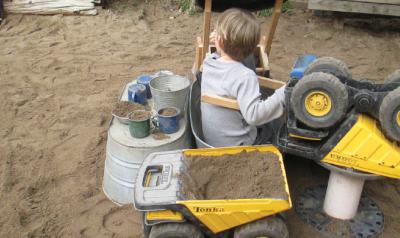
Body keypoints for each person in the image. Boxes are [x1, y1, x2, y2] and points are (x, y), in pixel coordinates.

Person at [201, 8, 286, 147]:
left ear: (219, 42)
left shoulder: (209, 62)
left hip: (211, 140)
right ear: (253, 48)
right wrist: (281, 94)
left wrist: (218, 42)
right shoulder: (245, 77)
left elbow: (219, 54)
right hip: (238, 145)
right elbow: (254, 116)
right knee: (273, 127)